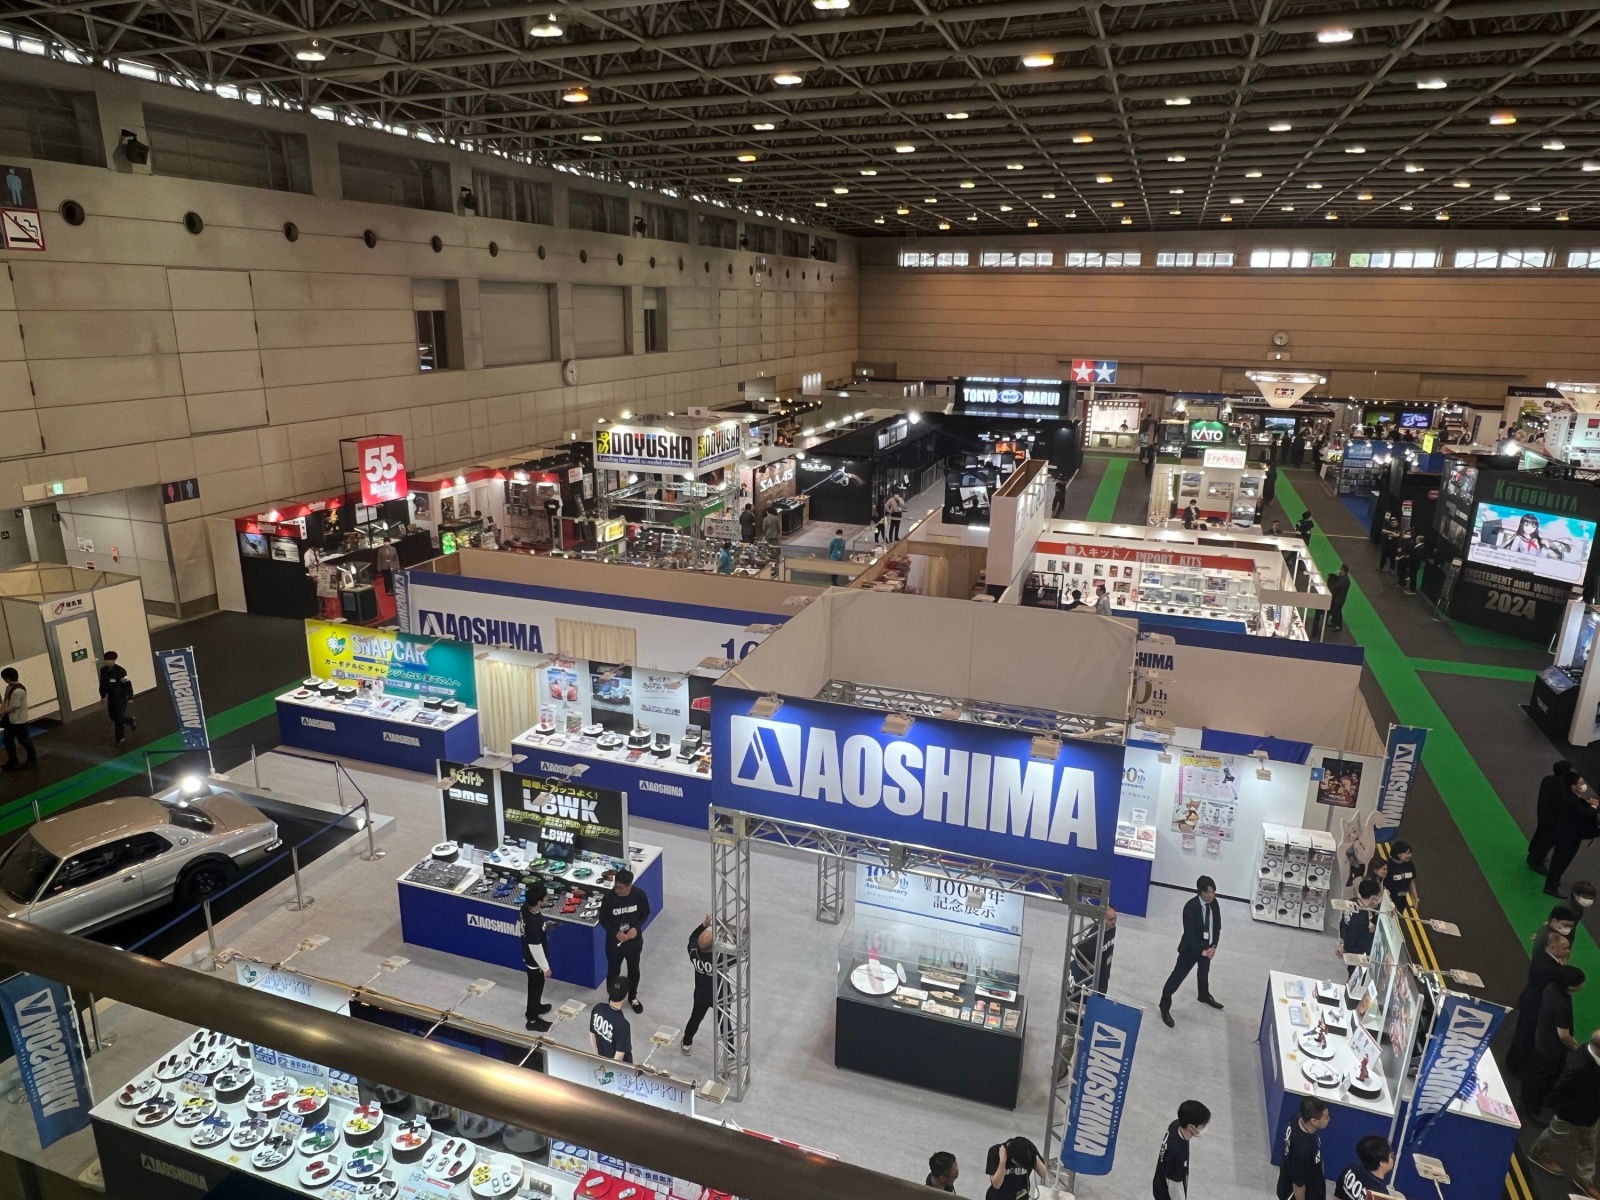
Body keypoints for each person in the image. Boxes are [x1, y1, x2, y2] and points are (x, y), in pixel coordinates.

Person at [1527, 1030, 1600, 1195]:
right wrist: (1561, 1111)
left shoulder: (1586, 1051)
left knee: (1588, 1145)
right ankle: (1537, 1154)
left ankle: (1584, 1178)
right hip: (1571, 1115)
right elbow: (1561, 1090)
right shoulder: (1580, 1067)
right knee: (1555, 1135)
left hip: (1590, 1115)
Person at [1158, 875, 1223, 1027]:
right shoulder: (1190, 907)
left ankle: (1203, 995)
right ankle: (1164, 1006)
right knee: (1177, 977)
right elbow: (1189, 933)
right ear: (1200, 892)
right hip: (1190, 950)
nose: (1211, 895)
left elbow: (1217, 926)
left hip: (1207, 948)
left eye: (1213, 892)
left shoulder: (1214, 904)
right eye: (1207, 892)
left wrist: (1213, 946)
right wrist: (1200, 951)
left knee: (1204, 973)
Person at [1524, 965, 1586, 1117]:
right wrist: (1574, 1047)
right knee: (1543, 1077)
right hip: (1551, 1048)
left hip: (1542, 1036)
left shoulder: (1550, 987)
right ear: (1572, 986)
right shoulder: (1563, 1003)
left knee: (1536, 1072)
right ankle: (1531, 1108)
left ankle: (1529, 1100)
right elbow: (1563, 1034)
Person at [1511, 933, 1573, 1074]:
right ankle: (1516, 1067)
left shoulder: (1542, 955)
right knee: (1526, 1037)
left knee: (1522, 1034)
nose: (1568, 951)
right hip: (1534, 1006)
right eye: (1564, 948)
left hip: (1529, 1000)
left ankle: (1514, 1062)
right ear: (1553, 948)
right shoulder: (1551, 969)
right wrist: (1563, 965)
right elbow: (1562, 978)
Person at [597, 869, 650, 1013]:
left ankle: (632, 997)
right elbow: (603, 919)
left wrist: (636, 928)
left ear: (630, 886)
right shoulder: (609, 898)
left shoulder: (639, 895)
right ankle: (613, 998)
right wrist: (616, 932)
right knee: (613, 971)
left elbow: (645, 913)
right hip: (614, 943)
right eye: (616, 887)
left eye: (621, 888)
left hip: (633, 942)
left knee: (633, 969)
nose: (618, 890)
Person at [1548, 777, 1600, 898]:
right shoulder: (1571, 800)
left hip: (1570, 836)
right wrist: (1594, 807)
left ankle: (1553, 883)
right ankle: (1551, 886)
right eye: (1581, 783)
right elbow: (1583, 813)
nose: (1584, 785)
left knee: (1562, 861)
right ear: (1573, 785)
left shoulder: (1574, 797)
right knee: (1560, 861)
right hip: (1568, 837)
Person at [1152, 1099, 1210, 1200]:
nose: (1204, 1128)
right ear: (1191, 1127)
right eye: (1202, 1126)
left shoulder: (1175, 1125)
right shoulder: (1177, 1154)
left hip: (1160, 1181)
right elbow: (1175, 1189)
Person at [1276, 1096, 1330, 1200]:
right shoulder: (1302, 1151)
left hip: (1307, 1179)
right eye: (1326, 1117)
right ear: (1314, 1121)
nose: (1329, 1119)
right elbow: (1298, 1186)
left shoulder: (1298, 1118)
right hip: (1299, 1193)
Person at [518, 882, 553, 1031]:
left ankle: (536, 1007)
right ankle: (532, 1019)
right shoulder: (534, 923)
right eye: (545, 897)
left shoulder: (526, 908)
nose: (547, 898)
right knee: (535, 989)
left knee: (536, 988)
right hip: (534, 961)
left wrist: (545, 926)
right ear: (539, 901)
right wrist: (545, 968)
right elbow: (536, 948)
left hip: (529, 953)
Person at [1531, 762, 1578, 872]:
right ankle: (1536, 860)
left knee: (1540, 835)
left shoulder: (1548, 780)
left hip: (1543, 813)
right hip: (1554, 819)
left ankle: (1533, 854)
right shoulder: (1563, 788)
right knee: (1547, 841)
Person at [682, 913, 715, 1055]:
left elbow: (692, 938)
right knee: (725, 1025)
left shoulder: (693, 952)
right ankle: (730, 1051)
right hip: (720, 995)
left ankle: (686, 1042)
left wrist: (703, 926)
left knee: (695, 1018)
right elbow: (739, 953)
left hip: (701, 994)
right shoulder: (721, 959)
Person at [1337, 878, 1381, 974]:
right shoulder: (1362, 917)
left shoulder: (1352, 902)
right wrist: (1345, 948)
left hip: (1349, 945)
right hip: (1358, 953)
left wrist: (1342, 943)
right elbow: (1354, 936)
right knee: (1356, 974)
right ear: (1373, 897)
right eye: (1378, 895)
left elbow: (1343, 923)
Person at [1333, 1135, 1394, 1200]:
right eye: (1391, 1156)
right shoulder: (1380, 1195)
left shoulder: (1352, 1168)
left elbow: (1337, 1195)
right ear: (1382, 1163)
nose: (1393, 1158)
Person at [98, 650, 137, 746]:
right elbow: (103, 684)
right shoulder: (103, 670)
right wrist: (103, 696)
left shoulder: (121, 671)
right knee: (113, 716)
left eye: (109, 660)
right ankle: (130, 720)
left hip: (121, 697)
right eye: (106, 660)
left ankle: (120, 737)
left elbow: (127, 683)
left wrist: (130, 696)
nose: (107, 661)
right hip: (111, 697)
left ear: (114, 660)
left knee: (119, 718)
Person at [589, 979, 634, 1062]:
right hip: (618, 1067)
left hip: (601, 1060)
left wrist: (596, 1055)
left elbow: (592, 1033)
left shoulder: (598, 1008)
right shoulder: (623, 1025)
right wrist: (609, 1068)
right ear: (625, 996)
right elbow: (619, 1055)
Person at [0, 667, 35, 772]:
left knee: (24, 740)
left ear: (7, 678)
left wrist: (2, 712)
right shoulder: (9, 688)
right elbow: (6, 700)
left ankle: (31, 760)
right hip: (12, 719)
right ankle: (13, 760)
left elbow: (14, 706)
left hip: (19, 720)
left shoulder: (17, 691)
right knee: (8, 739)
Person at [1382, 842, 1417, 911]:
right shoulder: (1388, 867)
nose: (1410, 855)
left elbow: (1412, 881)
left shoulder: (1410, 865)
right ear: (1399, 854)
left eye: (1410, 853)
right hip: (1388, 899)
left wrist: (1415, 896)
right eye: (1407, 853)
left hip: (1402, 897)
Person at [1327, 566, 1350, 632]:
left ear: (1343, 570)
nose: (1338, 570)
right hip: (1338, 597)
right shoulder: (1342, 577)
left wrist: (1330, 581)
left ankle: (1338, 626)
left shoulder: (1344, 579)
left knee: (1336, 611)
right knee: (1335, 610)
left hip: (1339, 598)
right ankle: (1335, 623)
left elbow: (1335, 586)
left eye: (1340, 569)